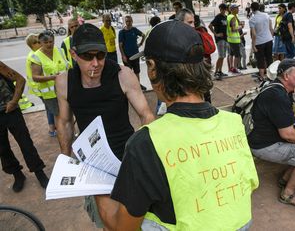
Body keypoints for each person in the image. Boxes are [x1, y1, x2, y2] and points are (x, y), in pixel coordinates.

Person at [93, 20, 259, 230]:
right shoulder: (234, 123)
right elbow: (248, 184)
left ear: (152, 68)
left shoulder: (147, 142)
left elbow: (122, 227)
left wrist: (95, 185)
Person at [55, 23, 155, 228]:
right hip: (93, 161)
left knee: (137, 216)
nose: (95, 63)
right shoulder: (64, 81)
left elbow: (146, 114)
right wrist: (65, 159)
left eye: (100, 55)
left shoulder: (123, 74)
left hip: (127, 154)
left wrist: (141, 151)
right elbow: (65, 122)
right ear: (74, 54)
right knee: (109, 220)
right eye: (87, 57)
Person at [248, 58, 295, 208]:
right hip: (263, 146)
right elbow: (287, 134)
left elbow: (292, 116)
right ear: (286, 76)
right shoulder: (277, 95)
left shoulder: (280, 89)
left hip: (264, 140)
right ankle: (288, 193)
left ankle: (285, 178)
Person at [0, 61, 49, 192]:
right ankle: (17, 174)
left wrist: (14, 101)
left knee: (25, 142)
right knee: (2, 149)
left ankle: (39, 172)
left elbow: (20, 80)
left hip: (10, 111)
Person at [30, 31, 68, 135]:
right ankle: (63, 134)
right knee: (59, 116)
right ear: (40, 42)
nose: (49, 44)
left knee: (67, 114)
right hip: (50, 94)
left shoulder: (60, 51)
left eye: (51, 41)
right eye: (45, 42)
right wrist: (52, 77)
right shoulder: (36, 57)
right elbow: (35, 77)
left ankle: (69, 132)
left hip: (64, 89)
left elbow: (67, 66)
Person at [25, 33, 55, 136]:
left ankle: (52, 127)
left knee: (49, 108)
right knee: (51, 108)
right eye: (36, 42)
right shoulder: (34, 56)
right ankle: (52, 129)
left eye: (39, 41)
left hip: (41, 88)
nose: (40, 43)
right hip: (40, 88)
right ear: (31, 45)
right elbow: (36, 76)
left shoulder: (37, 54)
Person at [118, 15, 145, 87]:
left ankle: (138, 85)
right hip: (127, 56)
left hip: (136, 55)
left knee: (137, 71)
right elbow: (120, 45)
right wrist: (123, 56)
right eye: (127, 21)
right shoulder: (122, 32)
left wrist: (141, 44)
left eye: (130, 21)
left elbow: (143, 35)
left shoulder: (134, 30)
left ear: (132, 21)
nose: (128, 23)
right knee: (128, 73)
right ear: (125, 22)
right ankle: (131, 87)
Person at [249, 2, 273, 81]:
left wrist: (253, 46)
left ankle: (262, 77)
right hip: (269, 40)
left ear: (252, 9)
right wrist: (271, 37)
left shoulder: (252, 19)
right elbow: (271, 28)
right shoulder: (266, 15)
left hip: (259, 42)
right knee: (269, 58)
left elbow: (254, 34)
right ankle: (271, 77)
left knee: (260, 60)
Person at [209, 3, 230, 80]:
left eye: (224, 9)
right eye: (221, 9)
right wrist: (216, 34)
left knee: (223, 56)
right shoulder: (218, 17)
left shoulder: (226, 17)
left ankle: (220, 71)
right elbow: (210, 25)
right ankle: (216, 72)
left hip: (225, 38)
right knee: (221, 56)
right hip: (220, 39)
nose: (223, 10)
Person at [227, 4, 242, 74]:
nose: (238, 9)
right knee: (237, 55)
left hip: (230, 39)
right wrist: (240, 27)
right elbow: (233, 29)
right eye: (236, 8)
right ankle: (235, 69)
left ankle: (231, 68)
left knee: (231, 54)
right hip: (234, 40)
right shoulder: (232, 17)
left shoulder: (229, 16)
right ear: (232, 10)